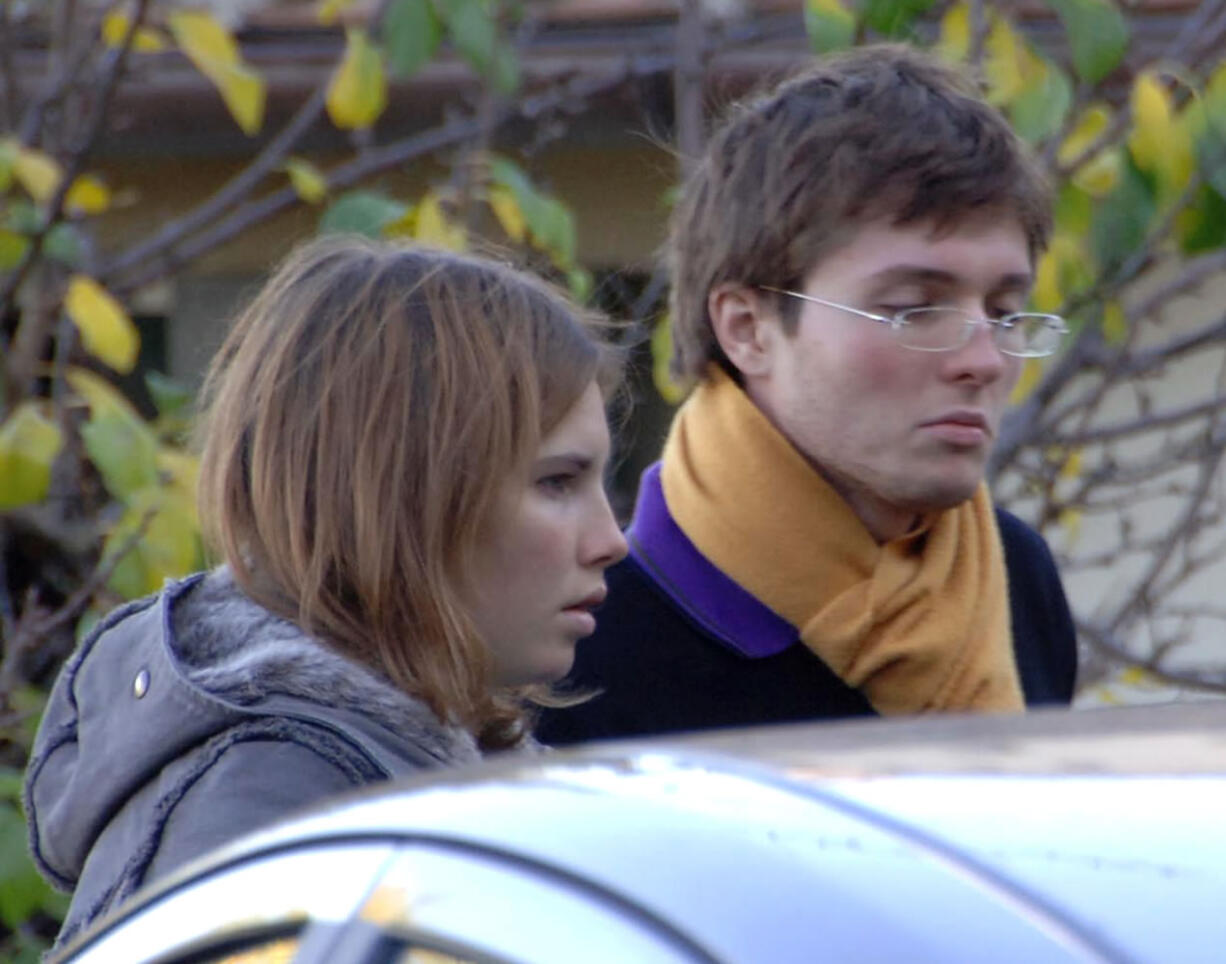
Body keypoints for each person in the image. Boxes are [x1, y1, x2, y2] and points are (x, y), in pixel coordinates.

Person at [24, 236, 627, 944]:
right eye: (557, 482)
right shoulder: (279, 815)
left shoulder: (377, 773)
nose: (611, 539)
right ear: (405, 499)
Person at [537, 44, 1078, 746]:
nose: (983, 359)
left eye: (1005, 313)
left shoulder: (1013, 575)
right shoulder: (581, 642)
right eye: (915, 310)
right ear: (746, 328)